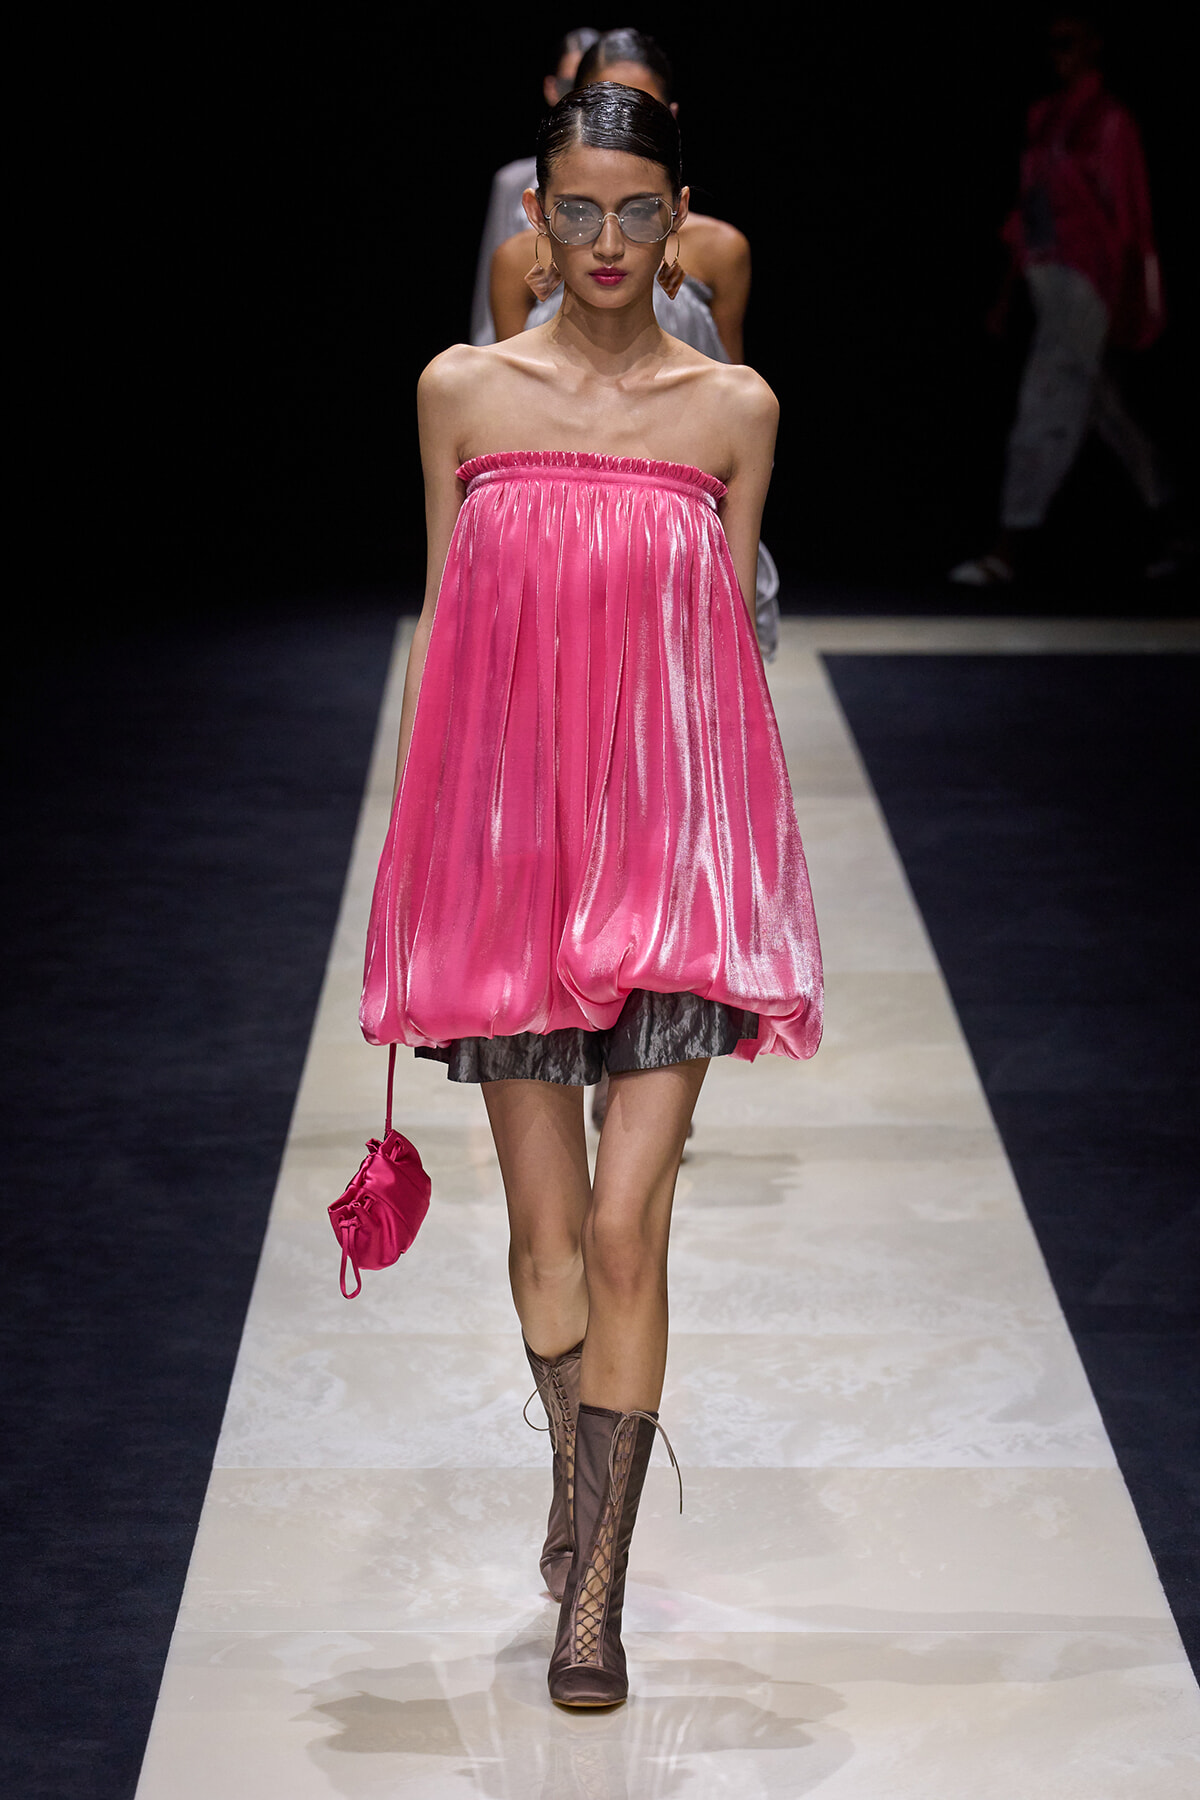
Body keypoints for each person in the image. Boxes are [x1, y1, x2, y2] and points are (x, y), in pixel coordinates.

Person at [361, 82, 822, 1709]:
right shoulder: (463, 396)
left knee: (629, 1230)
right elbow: (446, 634)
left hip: (676, 863)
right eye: (578, 211)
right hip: (509, 872)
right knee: (549, 1239)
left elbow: (730, 666)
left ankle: (597, 1596)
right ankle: (579, 1478)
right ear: (531, 219)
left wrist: (757, 876)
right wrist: (419, 871)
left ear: (679, 220)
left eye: (640, 214)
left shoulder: (733, 412)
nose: (609, 244)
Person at [490, 28, 781, 663]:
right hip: (557, 525)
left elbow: (729, 381)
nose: (617, 127)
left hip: (681, 501)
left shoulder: (722, 251)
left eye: (640, 110)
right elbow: (509, 423)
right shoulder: (515, 264)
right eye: (600, 105)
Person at [951, 12, 1174, 586]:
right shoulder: (1047, 118)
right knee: (1111, 414)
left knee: (1044, 408)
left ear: (1095, 45)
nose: (1059, 54)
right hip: (1048, 282)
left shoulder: (1109, 122)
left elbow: (1129, 219)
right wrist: (1006, 295)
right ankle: (1174, 531)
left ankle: (1008, 551)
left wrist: (1129, 305)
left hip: (1086, 284)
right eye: (1052, 44)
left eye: (1069, 43)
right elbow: (1027, 214)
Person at [470, 27, 599, 346]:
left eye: (593, 85)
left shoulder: (641, 182)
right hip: (532, 341)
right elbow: (492, 296)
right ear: (551, 88)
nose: (580, 95)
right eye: (572, 84)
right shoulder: (513, 181)